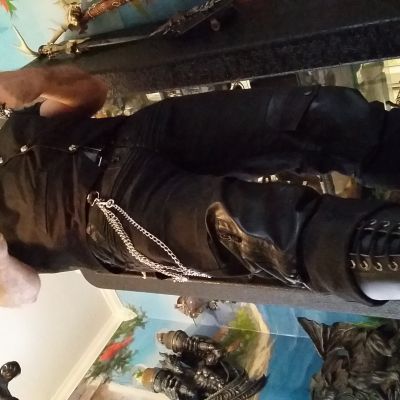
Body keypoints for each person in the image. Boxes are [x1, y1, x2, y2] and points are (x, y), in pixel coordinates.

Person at [1, 65, 400, 308]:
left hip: (142, 132)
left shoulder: (6, 130)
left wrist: (39, 80)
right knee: (275, 234)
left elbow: (90, 93)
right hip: (114, 215)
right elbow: (23, 292)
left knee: (308, 117)